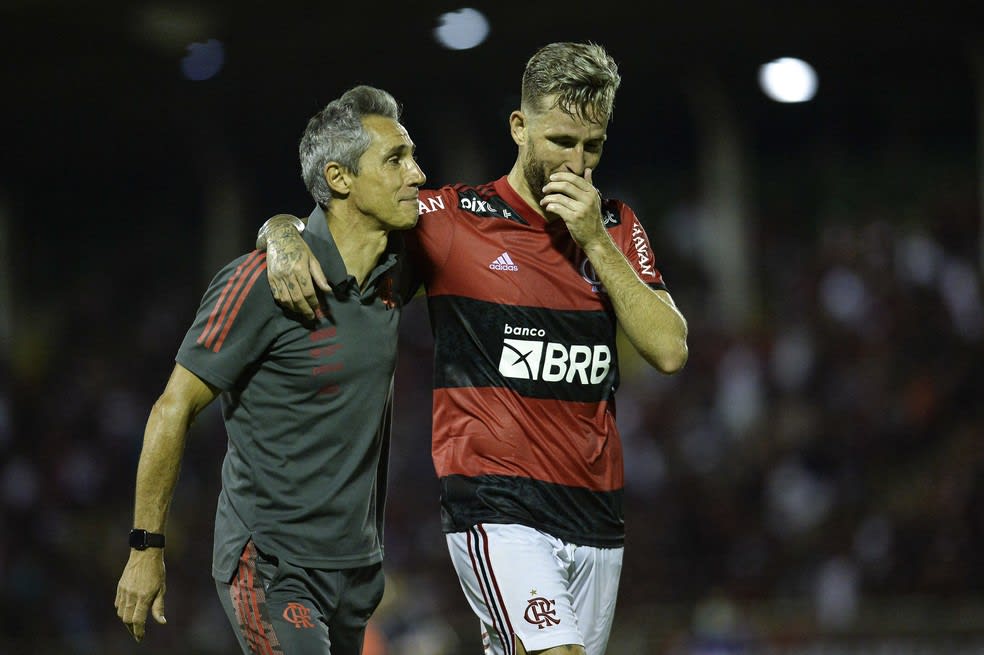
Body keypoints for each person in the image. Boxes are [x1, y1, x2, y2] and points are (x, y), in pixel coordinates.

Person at [257, 42, 688, 655]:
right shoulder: (453, 219)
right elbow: (344, 224)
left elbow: (669, 349)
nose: (577, 162)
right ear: (519, 126)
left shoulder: (615, 225)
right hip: (498, 508)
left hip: (597, 518)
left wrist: (594, 241)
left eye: (592, 146)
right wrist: (279, 230)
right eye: (561, 141)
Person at [114, 84, 427, 654]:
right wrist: (145, 547)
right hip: (273, 565)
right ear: (339, 179)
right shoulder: (260, 283)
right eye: (396, 159)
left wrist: (278, 224)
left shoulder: (396, 270)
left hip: (356, 569)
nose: (418, 173)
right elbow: (172, 408)